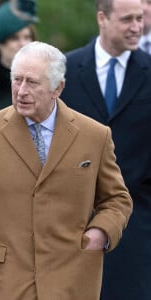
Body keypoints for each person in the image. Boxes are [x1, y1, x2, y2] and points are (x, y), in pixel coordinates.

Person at [0, 41, 133, 300]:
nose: (21, 91)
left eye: (32, 82)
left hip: (72, 280)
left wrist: (99, 233)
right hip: (3, 284)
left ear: (58, 87)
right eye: (17, 80)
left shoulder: (95, 136)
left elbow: (116, 200)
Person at [60, 0, 151, 299]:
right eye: (127, 19)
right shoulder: (66, 70)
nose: (136, 27)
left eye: (139, 18)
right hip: (70, 222)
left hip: (138, 224)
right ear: (102, 18)